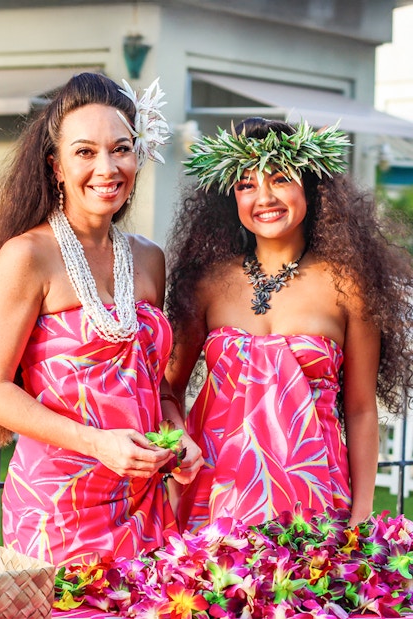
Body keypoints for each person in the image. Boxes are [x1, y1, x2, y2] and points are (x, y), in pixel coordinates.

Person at [0, 71, 203, 567]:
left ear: (138, 155)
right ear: (56, 166)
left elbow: (154, 386)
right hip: (60, 505)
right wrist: (96, 443)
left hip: (143, 499)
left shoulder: (149, 259)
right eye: (85, 152)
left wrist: (178, 436)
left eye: (121, 148)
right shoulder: (27, 257)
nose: (107, 167)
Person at [164, 117, 413, 533]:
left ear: (311, 186)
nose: (264, 197)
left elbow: (360, 408)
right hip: (215, 498)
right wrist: (177, 447)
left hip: (314, 498)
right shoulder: (206, 283)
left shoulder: (348, 284)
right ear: (230, 197)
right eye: (246, 185)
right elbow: (167, 389)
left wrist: (363, 513)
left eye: (280, 179)